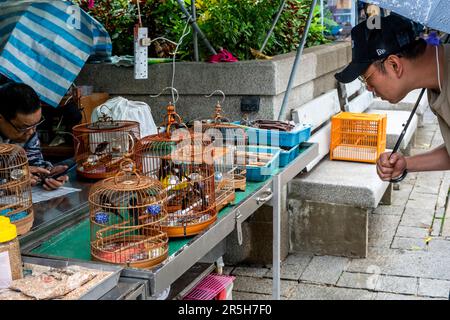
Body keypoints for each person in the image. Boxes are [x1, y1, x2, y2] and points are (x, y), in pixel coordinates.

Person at [335, 14, 450, 181]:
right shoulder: (437, 80)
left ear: (394, 65)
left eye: (366, 78)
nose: (369, 88)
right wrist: (406, 163)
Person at [0, 82, 69, 190]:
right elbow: (13, 175)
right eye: (23, 127)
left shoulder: (28, 131)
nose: (32, 132)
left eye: (36, 124)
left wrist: (47, 174)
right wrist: (9, 182)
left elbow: (33, 162)